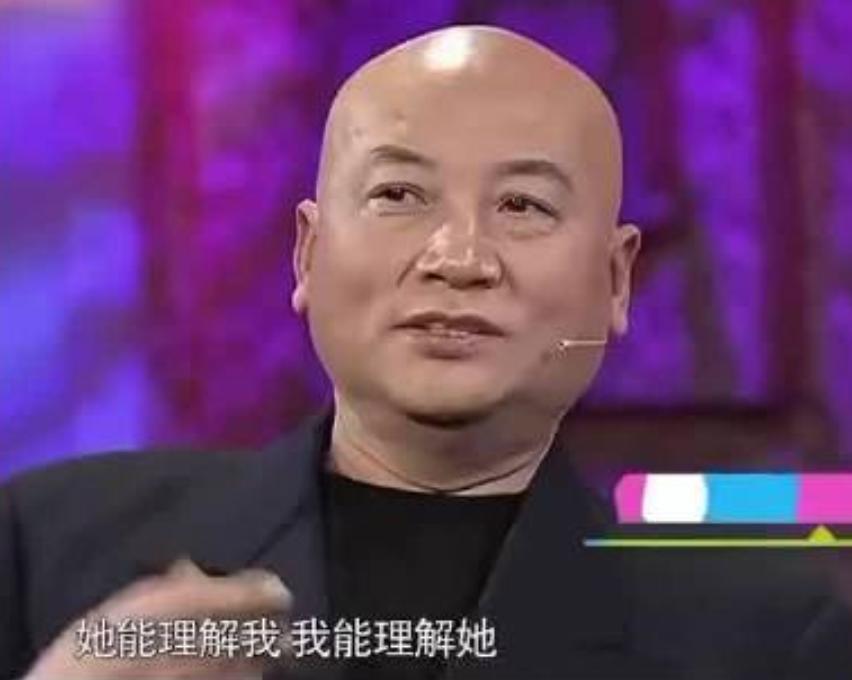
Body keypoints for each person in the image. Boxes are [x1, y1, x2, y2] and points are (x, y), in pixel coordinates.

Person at [1, 25, 850, 680]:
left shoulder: (769, 636)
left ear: (616, 279)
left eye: (523, 206)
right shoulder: (48, 549)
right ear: (306, 254)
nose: (460, 257)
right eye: (399, 193)